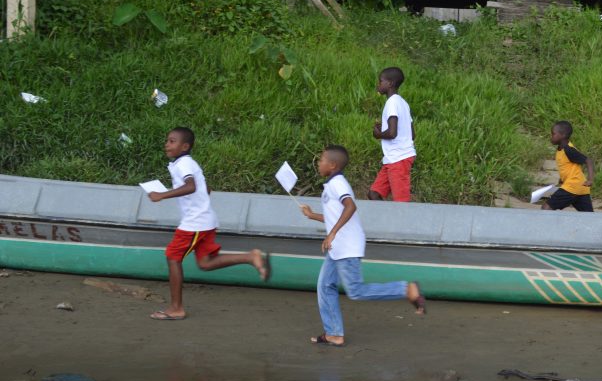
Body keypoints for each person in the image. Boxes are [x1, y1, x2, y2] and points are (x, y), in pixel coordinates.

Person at [300, 145, 425, 347]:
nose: (318, 162)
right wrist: (312, 215)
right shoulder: (332, 183)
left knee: (356, 291)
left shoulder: (338, 183)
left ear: (332, 165)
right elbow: (335, 216)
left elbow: (350, 206)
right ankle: (334, 333)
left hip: (346, 245)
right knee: (324, 286)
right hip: (338, 246)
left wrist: (332, 234)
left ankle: (406, 289)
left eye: (322, 159)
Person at [147, 127, 270, 320]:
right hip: (205, 221)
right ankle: (250, 257)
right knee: (205, 263)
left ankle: (176, 308)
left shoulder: (184, 164)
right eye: (167, 140)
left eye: (172, 141)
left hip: (195, 223)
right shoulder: (185, 163)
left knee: (173, 257)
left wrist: (162, 195)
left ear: (185, 146)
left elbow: (191, 186)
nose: (167, 144)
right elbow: (205, 188)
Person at [370, 67, 416, 202]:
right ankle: (386, 223)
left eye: (381, 81)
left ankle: (403, 223)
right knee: (374, 194)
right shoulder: (403, 103)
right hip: (393, 159)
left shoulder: (392, 103)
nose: (379, 85)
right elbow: (412, 134)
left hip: (399, 159)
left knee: (401, 203)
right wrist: (383, 130)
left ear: (390, 84)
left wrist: (378, 134)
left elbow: (392, 133)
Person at [542, 120, 595, 212]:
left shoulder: (568, 150)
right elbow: (569, 167)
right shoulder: (561, 149)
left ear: (563, 135)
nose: (551, 137)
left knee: (546, 208)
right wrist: (563, 179)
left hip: (572, 186)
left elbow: (588, 161)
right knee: (589, 218)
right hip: (581, 188)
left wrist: (590, 179)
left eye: (553, 134)